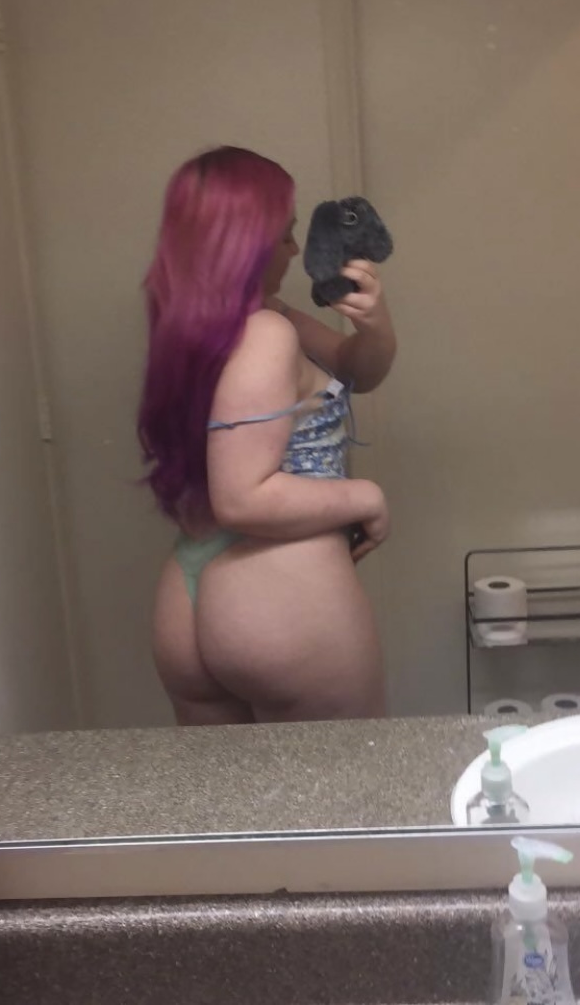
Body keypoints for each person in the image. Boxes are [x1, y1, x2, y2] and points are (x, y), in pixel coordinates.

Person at [138, 146, 396, 725]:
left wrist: (374, 324)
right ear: (245, 243)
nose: (295, 249)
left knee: (223, 787)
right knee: (346, 780)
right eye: (284, 234)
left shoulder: (197, 325)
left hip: (188, 587)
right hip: (278, 589)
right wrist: (366, 497)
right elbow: (243, 498)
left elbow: (358, 369)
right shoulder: (265, 335)